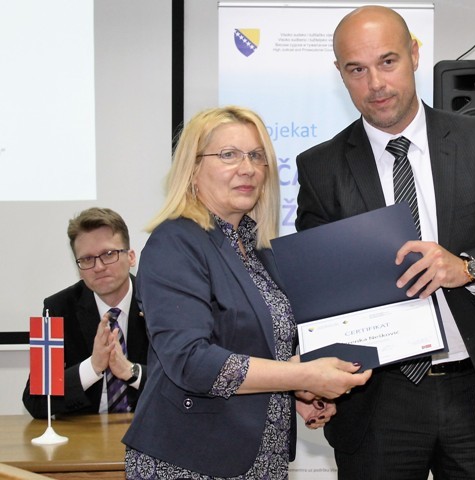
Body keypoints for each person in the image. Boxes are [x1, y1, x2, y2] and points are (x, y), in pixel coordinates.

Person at [295, 6, 475, 480]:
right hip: (376, 397)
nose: (375, 83)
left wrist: (469, 268)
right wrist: (313, 376)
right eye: (356, 70)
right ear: (340, 73)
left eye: (388, 61)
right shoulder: (320, 167)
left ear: (415, 54)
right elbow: (319, 294)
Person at [122, 106, 371, 479]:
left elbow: (259, 352)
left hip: (260, 462)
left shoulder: (258, 251)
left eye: (256, 156)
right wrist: (302, 377)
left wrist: (297, 392)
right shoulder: (174, 242)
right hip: (191, 461)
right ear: (192, 169)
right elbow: (191, 362)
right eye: (229, 155)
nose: (248, 168)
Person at [22, 207, 149, 418]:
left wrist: (130, 371)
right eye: (87, 259)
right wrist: (92, 366)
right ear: (78, 267)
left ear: (131, 257)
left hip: (148, 429)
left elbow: (186, 384)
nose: (98, 267)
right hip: (86, 433)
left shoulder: (160, 304)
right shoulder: (56, 308)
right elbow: (35, 400)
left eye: (109, 254)